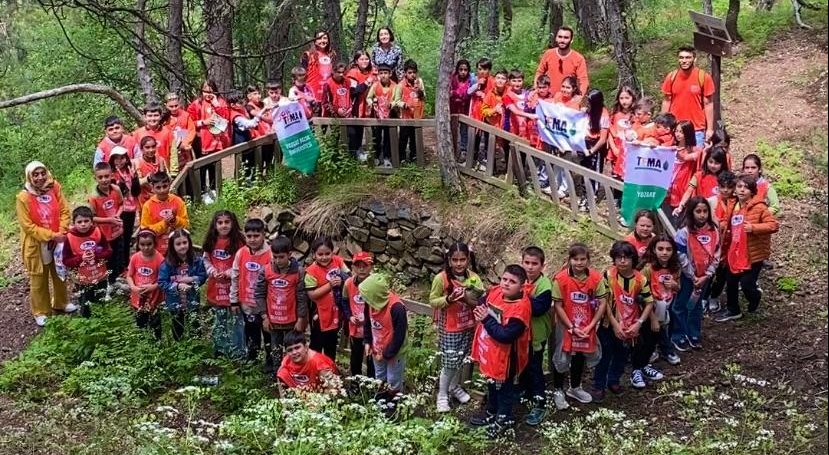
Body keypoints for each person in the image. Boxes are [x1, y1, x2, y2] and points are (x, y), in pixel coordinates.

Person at [468, 264, 532, 439]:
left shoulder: (521, 308)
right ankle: (491, 411)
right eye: (504, 279)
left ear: (522, 285)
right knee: (491, 383)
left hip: (507, 358)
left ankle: (503, 418)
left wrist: (486, 318)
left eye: (512, 281)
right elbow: (484, 300)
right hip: (490, 352)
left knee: (504, 388)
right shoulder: (497, 291)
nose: (506, 284)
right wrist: (481, 307)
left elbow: (506, 335)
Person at [592, 241, 656, 399]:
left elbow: (649, 302)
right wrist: (614, 324)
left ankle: (614, 380)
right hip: (609, 323)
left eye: (626, 258)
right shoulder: (608, 275)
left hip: (631, 325)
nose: (622, 261)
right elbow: (604, 300)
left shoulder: (641, 279)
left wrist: (639, 323)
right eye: (618, 257)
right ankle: (598, 386)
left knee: (622, 354)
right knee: (604, 355)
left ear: (633, 259)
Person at [17, 161, 75, 326]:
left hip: (58, 239)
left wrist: (61, 231)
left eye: (42, 173)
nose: (40, 177)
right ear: (29, 177)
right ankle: (40, 311)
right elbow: (27, 226)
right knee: (38, 277)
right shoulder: (23, 197)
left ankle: (61, 302)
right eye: (35, 175)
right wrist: (51, 235)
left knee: (59, 270)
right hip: (37, 244)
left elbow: (64, 210)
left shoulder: (54, 187)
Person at [428, 242, 484, 413]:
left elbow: (481, 298)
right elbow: (432, 300)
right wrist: (449, 299)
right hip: (450, 327)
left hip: (468, 324)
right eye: (455, 260)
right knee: (450, 362)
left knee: (461, 359)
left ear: (468, 259)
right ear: (449, 260)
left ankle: (454, 387)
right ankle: (442, 394)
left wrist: (471, 295)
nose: (459, 264)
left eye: (463, 259)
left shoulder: (473, 277)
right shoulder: (441, 279)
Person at [716, 176, 779, 322]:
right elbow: (729, 222)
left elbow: (773, 225)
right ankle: (733, 310)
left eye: (746, 187)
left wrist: (754, 228)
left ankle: (755, 296)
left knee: (747, 283)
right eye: (739, 186)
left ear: (752, 191)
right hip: (734, 250)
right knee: (730, 281)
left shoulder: (759, 207)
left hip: (752, 253)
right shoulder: (732, 204)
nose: (742, 190)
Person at [551, 243, 607, 407]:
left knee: (580, 354)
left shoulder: (596, 279)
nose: (579, 263)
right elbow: (558, 305)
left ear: (588, 260)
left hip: (587, 324)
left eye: (583, 259)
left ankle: (575, 387)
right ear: (569, 260)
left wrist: (591, 326)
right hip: (566, 324)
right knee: (562, 356)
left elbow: (602, 302)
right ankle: (558, 390)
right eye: (575, 259)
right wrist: (570, 326)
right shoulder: (560, 278)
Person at [672, 197, 720, 351]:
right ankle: (678, 335)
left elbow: (717, 254)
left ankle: (694, 333)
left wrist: (707, 275)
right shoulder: (684, 232)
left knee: (696, 305)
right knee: (681, 305)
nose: (702, 215)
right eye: (698, 211)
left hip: (704, 277)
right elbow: (680, 256)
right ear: (691, 212)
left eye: (705, 211)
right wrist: (693, 276)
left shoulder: (714, 231)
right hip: (688, 277)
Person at [256, 235, 309, 371]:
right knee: (276, 348)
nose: (278, 261)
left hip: (292, 320)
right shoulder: (265, 270)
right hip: (273, 320)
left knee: (294, 348)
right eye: (275, 257)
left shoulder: (298, 272)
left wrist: (301, 318)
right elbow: (259, 294)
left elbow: (302, 297)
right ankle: (277, 374)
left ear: (289, 254)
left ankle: (295, 373)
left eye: (281, 257)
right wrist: (264, 316)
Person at [230, 218, 273, 371]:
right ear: (245, 236)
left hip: (266, 304)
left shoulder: (271, 255)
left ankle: (270, 360)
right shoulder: (241, 253)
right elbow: (235, 276)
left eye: (256, 236)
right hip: (246, 302)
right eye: (249, 236)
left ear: (263, 235)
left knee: (268, 332)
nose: (253, 239)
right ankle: (252, 358)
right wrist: (233, 300)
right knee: (250, 330)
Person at [203, 210, 246, 358]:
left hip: (234, 288)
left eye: (227, 222)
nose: (223, 225)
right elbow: (206, 259)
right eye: (220, 223)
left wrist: (229, 272)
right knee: (219, 318)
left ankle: (238, 351)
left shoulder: (239, 242)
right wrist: (213, 271)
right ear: (215, 225)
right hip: (216, 286)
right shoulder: (211, 240)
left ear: (233, 223)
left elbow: (242, 262)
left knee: (236, 319)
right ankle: (220, 349)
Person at [518, 246, 553, 425]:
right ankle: (526, 392)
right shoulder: (519, 279)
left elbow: (539, 309)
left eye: (534, 264)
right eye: (527, 263)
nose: (530, 267)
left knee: (534, 367)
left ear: (542, 266)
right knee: (521, 364)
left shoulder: (545, 286)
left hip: (537, 334)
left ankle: (540, 403)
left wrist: (520, 295)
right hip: (520, 333)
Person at [361, 273, 409, 399]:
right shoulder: (370, 302)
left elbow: (399, 336)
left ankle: (393, 404)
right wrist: (367, 341)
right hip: (377, 349)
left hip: (394, 351)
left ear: (375, 294)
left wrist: (386, 354)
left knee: (393, 379)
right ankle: (380, 400)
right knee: (380, 376)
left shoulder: (397, 308)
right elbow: (367, 322)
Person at [639, 234, 682, 366]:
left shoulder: (675, 267)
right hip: (649, 305)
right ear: (653, 249)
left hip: (667, 303)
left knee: (665, 323)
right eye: (661, 249)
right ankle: (666, 349)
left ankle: (659, 348)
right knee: (657, 325)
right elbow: (641, 295)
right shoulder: (647, 269)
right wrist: (652, 315)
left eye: (668, 249)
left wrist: (674, 285)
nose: (664, 252)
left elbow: (678, 287)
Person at [305, 236, 349, 361]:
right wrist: (330, 285)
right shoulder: (311, 271)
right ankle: (314, 369)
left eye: (327, 253)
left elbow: (348, 276)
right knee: (317, 344)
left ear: (332, 252)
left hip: (335, 312)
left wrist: (342, 279)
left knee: (331, 343)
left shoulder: (338, 261)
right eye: (320, 254)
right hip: (318, 313)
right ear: (314, 255)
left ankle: (330, 371)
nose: (324, 257)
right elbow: (312, 295)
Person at [63, 206, 111, 318]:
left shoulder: (97, 232)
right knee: (85, 302)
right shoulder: (69, 237)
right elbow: (66, 260)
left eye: (86, 221)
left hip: (100, 274)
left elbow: (108, 250)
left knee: (100, 299)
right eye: (79, 222)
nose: (83, 224)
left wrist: (97, 256)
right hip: (82, 279)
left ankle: (101, 320)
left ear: (91, 221)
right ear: (74, 223)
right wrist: (81, 258)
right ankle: (87, 322)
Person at [661, 46, 716, 145]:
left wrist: (710, 129)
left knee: (695, 158)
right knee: (675, 160)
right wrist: (662, 124)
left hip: (696, 129)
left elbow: (708, 104)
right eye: (681, 57)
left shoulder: (703, 77)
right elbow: (666, 101)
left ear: (694, 59)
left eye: (688, 57)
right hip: (675, 128)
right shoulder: (671, 77)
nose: (684, 60)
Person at [159, 229, 207, 340]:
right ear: (172, 245)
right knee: (177, 325)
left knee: (195, 324)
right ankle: (179, 346)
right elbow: (162, 282)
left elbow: (203, 276)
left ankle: (196, 344)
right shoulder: (167, 264)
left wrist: (192, 279)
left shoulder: (196, 260)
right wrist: (177, 286)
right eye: (178, 244)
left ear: (189, 243)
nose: (182, 246)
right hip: (174, 301)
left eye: (185, 243)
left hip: (192, 298)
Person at [88, 162, 125, 301]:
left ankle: (114, 280)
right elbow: (92, 217)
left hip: (117, 230)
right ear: (96, 178)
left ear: (112, 175)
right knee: (106, 260)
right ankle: (106, 286)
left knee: (117, 257)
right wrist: (109, 219)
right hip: (103, 235)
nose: (104, 180)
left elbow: (121, 204)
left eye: (106, 176)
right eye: (100, 177)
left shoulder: (116, 189)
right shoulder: (93, 197)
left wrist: (117, 215)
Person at [187, 79, 230, 195]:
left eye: (210, 91)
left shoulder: (220, 102)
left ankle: (215, 190)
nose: (208, 94)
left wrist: (217, 105)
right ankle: (202, 192)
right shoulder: (195, 104)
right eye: (205, 91)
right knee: (202, 167)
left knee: (214, 167)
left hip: (217, 140)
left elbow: (226, 118)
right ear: (201, 92)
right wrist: (203, 122)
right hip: (200, 141)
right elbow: (189, 124)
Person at [705, 170, 737, 313]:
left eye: (729, 187)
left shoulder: (737, 203)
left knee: (722, 274)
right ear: (718, 186)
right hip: (712, 243)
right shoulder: (711, 201)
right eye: (722, 186)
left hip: (730, 244)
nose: (725, 190)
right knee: (707, 272)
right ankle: (703, 297)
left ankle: (714, 296)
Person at [341, 251, 375, 378]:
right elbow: (344, 302)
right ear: (352, 267)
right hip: (355, 328)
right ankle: (355, 383)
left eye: (365, 266)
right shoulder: (348, 283)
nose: (361, 269)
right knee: (355, 356)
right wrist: (349, 316)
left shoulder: (375, 283)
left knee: (371, 358)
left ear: (371, 267)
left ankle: (370, 384)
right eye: (358, 266)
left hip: (372, 328)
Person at [139, 171, 189, 257]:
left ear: (169, 185)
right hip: (157, 251)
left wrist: (175, 220)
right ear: (152, 187)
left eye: (165, 186)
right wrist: (164, 224)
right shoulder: (148, 206)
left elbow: (186, 225)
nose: (162, 190)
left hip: (178, 248)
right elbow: (145, 231)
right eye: (158, 187)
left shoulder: (178, 201)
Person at [126, 229, 164, 339]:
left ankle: (156, 343)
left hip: (153, 298)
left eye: (149, 244)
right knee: (140, 322)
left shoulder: (159, 259)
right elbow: (129, 275)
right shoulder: (135, 258)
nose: (146, 247)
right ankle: (142, 342)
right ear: (138, 244)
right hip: (138, 296)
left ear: (155, 243)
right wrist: (133, 287)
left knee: (155, 323)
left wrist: (153, 287)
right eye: (142, 244)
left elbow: (163, 280)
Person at [276, 330, 341, 394]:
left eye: (297, 348)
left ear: (306, 347)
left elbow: (333, 388)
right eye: (290, 350)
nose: (294, 352)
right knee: (282, 373)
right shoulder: (287, 360)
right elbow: (280, 375)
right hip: (303, 389)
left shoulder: (319, 363)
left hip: (319, 394)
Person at [674, 146, 730, 216]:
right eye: (710, 162)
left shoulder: (726, 178)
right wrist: (681, 206)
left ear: (723, 163)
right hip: (702, 213)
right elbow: (689, 191)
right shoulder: (698, 175)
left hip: (721, 213)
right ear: (706, 161)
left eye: (717, 163)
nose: (713, 165)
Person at [108, 147, 140, 267]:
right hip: (119, 210)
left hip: (131, 208)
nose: (119, 161)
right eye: (116, 158)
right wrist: (120, 183)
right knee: (118, 238)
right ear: (112, 160)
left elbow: (136, 192)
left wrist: (135, 177)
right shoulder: (111, 175)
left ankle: (125, 264)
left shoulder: (130, 171)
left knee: (127, 236)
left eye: (122, 158)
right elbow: (114, 193)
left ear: (126, 159)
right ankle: (118, 265)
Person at [534, 26, 589, 96]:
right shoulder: (548, 54)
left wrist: (580, 98)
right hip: (549, 97)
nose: (562, 40)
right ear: (556, 38)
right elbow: (539, 72)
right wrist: (536, 88)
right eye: (560, 37)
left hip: (567, 99)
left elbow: (583, 80)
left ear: (571, 40)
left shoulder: (578, 58)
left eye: (566, 38)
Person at [665, 120, 701, 221]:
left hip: (683, 183)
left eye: (681, 132)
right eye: (676, 131)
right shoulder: (671, 145)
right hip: (670, 183)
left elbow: (698, 154)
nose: (678, 134)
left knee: (681, 212)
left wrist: (686, 156)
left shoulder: (693, 149)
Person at [392, 59, 425, 163]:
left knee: (414, 137)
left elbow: (424, 97)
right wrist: (404, 105)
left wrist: (419, 91)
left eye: (414, 72)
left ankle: (414, 156)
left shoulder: (419, 82)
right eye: (410, 72)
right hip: (405, 116)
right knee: (403, 137)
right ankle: (401, 157)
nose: (412, 75)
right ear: (405, 73)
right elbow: (396, 100)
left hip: (416, 115)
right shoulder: (400, 85)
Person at [346, 51, 376, 159]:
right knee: (354, 131)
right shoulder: (353, 73)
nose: (364, 61)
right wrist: (367, 82)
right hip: (356, 105)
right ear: (356, 61)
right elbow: (353, 91)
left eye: (366, 59)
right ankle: (352, 155)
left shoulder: (373, 72)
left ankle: (370, 153)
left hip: (370, 104)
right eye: (361, 59)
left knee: (366, 129)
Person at [366, 64, 397, 168]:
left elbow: (397, 99)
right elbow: (368, 97)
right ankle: (376, 157)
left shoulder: (394, 86)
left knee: (388, 137)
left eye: (386, 73)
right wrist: (372, 102)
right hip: (377, 117)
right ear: (378, 75)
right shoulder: (375, 85)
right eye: (381, 73)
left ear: (390, 74)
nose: (383, 76)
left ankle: (387, 158)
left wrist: (392, 104)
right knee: (377, 137)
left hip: (390, 116)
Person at [163, 93, 196, 175]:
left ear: (179, 104)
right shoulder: (163, 118)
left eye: (176, 106)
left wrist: (185, 143)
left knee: (188, 171)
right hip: (170, 151)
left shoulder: (185, 115)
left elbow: (192, 130)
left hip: (185, 150)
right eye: (171, 106)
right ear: (165, 105)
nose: (174, 108)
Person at [133, 103, 174, 168]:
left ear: (160, 117)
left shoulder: (167, 132)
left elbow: (173, 154)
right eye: (150, 116)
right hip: (144, 171)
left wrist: (173, 172)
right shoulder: (137, 133)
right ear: (145, 117)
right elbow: (135, 155)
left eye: (156, 115)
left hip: (164, 170)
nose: (153, 118)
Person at [469, 57, 493, 163]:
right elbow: (468, 92)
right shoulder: (474, 80)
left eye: (485, 69)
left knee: (488, 136)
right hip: (475, 111)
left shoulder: (492, 81)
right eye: (479, 69)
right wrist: (477, 85)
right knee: (475, 135)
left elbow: (495, 96)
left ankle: (487, 160)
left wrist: (484, 96)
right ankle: (473, 158)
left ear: (489, 70)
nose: (482, 72)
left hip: (488, 112)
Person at [134, 137, 169, 209]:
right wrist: (148, 178)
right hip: (144, 199)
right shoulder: (137, 163)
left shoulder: (160, 160)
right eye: (147, 147)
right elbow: (137, 183)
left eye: (153, 147)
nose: (151, 150)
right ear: (141, 149)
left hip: (160, 197)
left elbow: (167, 177)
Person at [301, 30, 336, 104]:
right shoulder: (307, 55)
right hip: (311, 96)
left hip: (327, 96)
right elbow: (301, 77)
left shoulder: (332, 55)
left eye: (325, 38)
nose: (322, 41)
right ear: (315, 41)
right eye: (319, 38)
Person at [450, 59, 473, 155]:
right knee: (452, 129)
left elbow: (468, 94)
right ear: (457, 70)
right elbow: (449, 92)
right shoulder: (452, 79)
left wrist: (456, 93)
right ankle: (452, 149)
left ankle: (464, 151)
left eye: (465, 70)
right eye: (461, 69)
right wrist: (458, 94)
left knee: (464, 131)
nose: (463, 72)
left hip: (465, 109)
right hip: (453, 108)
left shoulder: (470, 80)